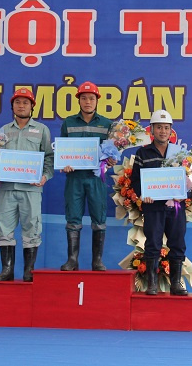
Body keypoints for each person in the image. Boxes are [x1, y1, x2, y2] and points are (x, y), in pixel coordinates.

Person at [0, 88, 54, 282]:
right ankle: (7, 270)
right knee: (3, 227)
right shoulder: (2, 131)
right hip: (7, 188)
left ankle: (29, 271)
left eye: (25, 102)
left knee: (32, 228)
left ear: (32, 106)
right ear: (12, 106)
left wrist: (45, 176)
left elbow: (49, 157)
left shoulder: (42, 130)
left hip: (32, 189)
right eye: (17, 102)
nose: (21, 106)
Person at [130, 110, 188, 295]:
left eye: (166, 128)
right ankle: (152, 284)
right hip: (153, 206)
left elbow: (189, 176)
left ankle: (175, 284)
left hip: (176, 207)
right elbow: (135, 180)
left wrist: (184, 190)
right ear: (152, 130)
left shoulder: (179, 153)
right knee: (153, 243)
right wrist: (142, 194)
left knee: (178, 243)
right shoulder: (143, 153)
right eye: (159, 127)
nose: (163, 131)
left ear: (171, 131)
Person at [60, 81, 114, 271]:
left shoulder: (107, 124)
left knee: (99, 217)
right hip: (74, 178)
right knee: (73, 217)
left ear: (97, 100)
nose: (88, 102)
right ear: (79, 101)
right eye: (84, 98)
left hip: (96, 179)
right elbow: (62, 152)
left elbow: (111, 152)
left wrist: (111, 160)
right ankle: (72, 260)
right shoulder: (68, 122)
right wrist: (64, 164)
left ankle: (97, 261)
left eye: (91, 98)